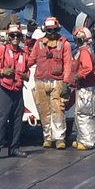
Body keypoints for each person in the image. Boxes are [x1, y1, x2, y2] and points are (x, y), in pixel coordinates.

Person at [29, 15, 74, 148]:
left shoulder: (64, 44)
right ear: (45, 30)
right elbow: (31, 59)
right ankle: (47, 137)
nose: (52, 33)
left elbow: (68, 64)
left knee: (58, 110)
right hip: (41, 81)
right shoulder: (38, 44)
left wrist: (66, 82)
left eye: (54, 30)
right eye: (49, 30)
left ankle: (60, 138)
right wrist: (20, 69)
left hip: (57, 81)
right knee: (44, 111)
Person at [0, 22, 30, 159]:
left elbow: (27, 71)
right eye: (13, 36)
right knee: (1, 120)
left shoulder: (23, 54)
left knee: (17, 121)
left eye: (17, 35)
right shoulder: (1, 50)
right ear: (9, 37)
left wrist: (26, 77)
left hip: (17, 89)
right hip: (4, 89)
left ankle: (14, 148)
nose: (15, 38)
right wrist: (2, 71)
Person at [70, 26, 95, 150]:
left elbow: (88, 68)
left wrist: (78, 76)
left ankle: (88, 142)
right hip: (83, 88)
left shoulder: (85, 52)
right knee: (79, 114)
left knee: (84, 115)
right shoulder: (86, 50)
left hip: (85, 88)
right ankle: (81, 138)